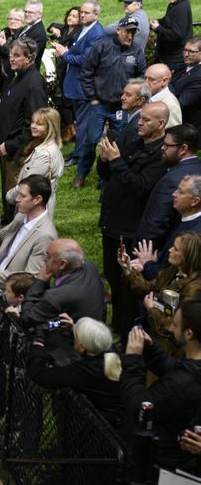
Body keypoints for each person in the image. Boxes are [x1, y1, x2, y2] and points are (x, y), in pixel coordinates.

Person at [98, 101, 169, 342]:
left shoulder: (160, 156)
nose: (140, 122)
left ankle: (129, 330)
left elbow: (140, 187)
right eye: (140, 118)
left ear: (161, 124)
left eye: (147, 120)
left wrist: (116, 161)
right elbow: (108, 176)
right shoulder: (134, 142)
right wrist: (104, 160)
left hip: (130, 229)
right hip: (112, 222)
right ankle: (118, 324)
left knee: (128, 284)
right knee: (112, 277)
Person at [121, 301, 201, 470]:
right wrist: (152, 349)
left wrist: (133, 360)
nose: (170, 328)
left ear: (188, 333)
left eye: (175, 324)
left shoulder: (182, 384)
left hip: (158, 464)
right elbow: (176, 369)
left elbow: (140, 407)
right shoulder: (194, 367)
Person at [75, 16, 147, 188]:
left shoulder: (136, 51)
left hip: (122, 108)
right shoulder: (102, 46)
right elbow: (86, 72)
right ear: (118, 30)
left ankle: (106, 176)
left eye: (133, 33)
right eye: (127, 32)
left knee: (118, 142)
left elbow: (142, 77)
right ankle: (82, 173)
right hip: (99, 104)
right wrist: (92, 97)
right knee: (91, 140)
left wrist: (134, 101)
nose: (130, 36)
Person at [0, 36, 48, 223]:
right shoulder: (19, 77)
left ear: (30, 59)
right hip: (8, 148)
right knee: (8, 192)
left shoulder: (33, 83)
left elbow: (34, 123)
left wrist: (11, 144)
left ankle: (16, 227)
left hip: (18, 152)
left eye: (17, 56)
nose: (12, 59)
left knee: (16, 193)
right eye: (11, 55)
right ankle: (9, 224)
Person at [28, 317, 122, 426]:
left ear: (82, 347)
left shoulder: (83, 371)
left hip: (97, 429)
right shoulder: (112, 354)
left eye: (76, 338)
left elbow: (39, 374)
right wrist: (75, 328)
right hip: (119, 421)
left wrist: (38, 342)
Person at [118, 232, 201, 353]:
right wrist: (128, 269)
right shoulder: (174, 270)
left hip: (173, 350)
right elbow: (149, 289)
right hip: (156, 338)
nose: (170, 250)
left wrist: (152, 309)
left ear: (188, 256)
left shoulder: (195, 289)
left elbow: (177, 326)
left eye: (176, 249)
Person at [0, 174, 57, 285]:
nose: (17, 199)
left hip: (11, 296)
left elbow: (31, 279)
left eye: (22, 196)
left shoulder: (45, 236)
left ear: (37, 199)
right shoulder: (21, 216)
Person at [53, 0, 105, 169]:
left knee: (82, 124)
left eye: (86, 13)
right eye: (81, 12)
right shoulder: (84, 28)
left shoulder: (97, 33)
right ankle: (78, 152)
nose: (82, 15)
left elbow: (85, 60)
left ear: (96, 15)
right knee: (80, 122)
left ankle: (79, 156)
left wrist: (64, 54)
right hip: (76, 84)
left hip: (84, 87)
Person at [134, 124, 201, 251]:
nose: (162, 148)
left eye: (167, 145)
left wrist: (140, 256)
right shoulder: (198, 167)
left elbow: (156, 223)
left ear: (183, 148)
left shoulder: (172, 180)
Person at [20, 238, 106, 331]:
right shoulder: (90, 267)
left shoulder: (54, 297)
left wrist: (40, 282)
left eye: (48, 256)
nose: (44, 259)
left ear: (62, 264)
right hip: (91, 327)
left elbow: (26, 320)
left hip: (70, 340)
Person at [134, 174, 201, 280]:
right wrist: (157, 258)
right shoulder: (181, 215)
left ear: (195, 201)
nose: (174, 194)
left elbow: (173, 277)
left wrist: (148, 264)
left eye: (181, 192)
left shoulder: (194, 236)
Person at [5, 107, 64, 219]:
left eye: (39, 124)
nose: (33, 126)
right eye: (32, 122)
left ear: (50, 128)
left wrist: (10, 196)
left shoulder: (44, 154)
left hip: (34, 209)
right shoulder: (44, 147)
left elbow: (28, 184)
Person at [47, 6, 81, 142]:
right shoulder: (65, 29)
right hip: (61, 69)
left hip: (70, 70)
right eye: (70, 15)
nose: (70, 18)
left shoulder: (77, 34)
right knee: (59, 99)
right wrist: (54, 30)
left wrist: (62, 52)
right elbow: (51, 26)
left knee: (66, 100)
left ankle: (71, 128)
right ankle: (70, 128)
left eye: (74, 16)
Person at [170, 37, 201, 145]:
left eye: (191, 51)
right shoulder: (182, 67)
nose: (186, 54)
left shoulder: (199, 76)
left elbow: (181, 103)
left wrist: (166, 83)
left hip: (188, 128)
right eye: (185, 50)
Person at [150, 0, 193, 73]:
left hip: (176, 59)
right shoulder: (174, 4)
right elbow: (169, 21)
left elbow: (177, 34)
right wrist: (159, 22)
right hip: (171, 57)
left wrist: (158, 28)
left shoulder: (180, 8)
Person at [0, 9, 25, 98]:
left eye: (16, 19)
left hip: (13, 77)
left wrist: (3, 45)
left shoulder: (23, 36)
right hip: (0, 77)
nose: (12, 21)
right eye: (10, 18)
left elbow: (16, 55)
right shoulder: (5, 33)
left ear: (23, 21)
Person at [116, 78, 151, 159]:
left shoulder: (139, 124)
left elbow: (127, 155)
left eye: (128, 95)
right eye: (123, 93)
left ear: (141, 100)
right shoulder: (131, 116)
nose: (122, 97)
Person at [145, 63, 183, 129]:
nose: (146, 83)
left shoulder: (170, 104)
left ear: (164, 81)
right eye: (145, 78)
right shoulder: (150, 96)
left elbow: (172, 135)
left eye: (151, 79)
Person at [17, 0, 48, 71]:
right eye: (25, 11)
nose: (27, 14)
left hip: (27, 73)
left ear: (40, 14)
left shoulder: (38, 33)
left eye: (30, 12)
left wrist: (4, 46)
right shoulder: (29, 26)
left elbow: (27, 56)